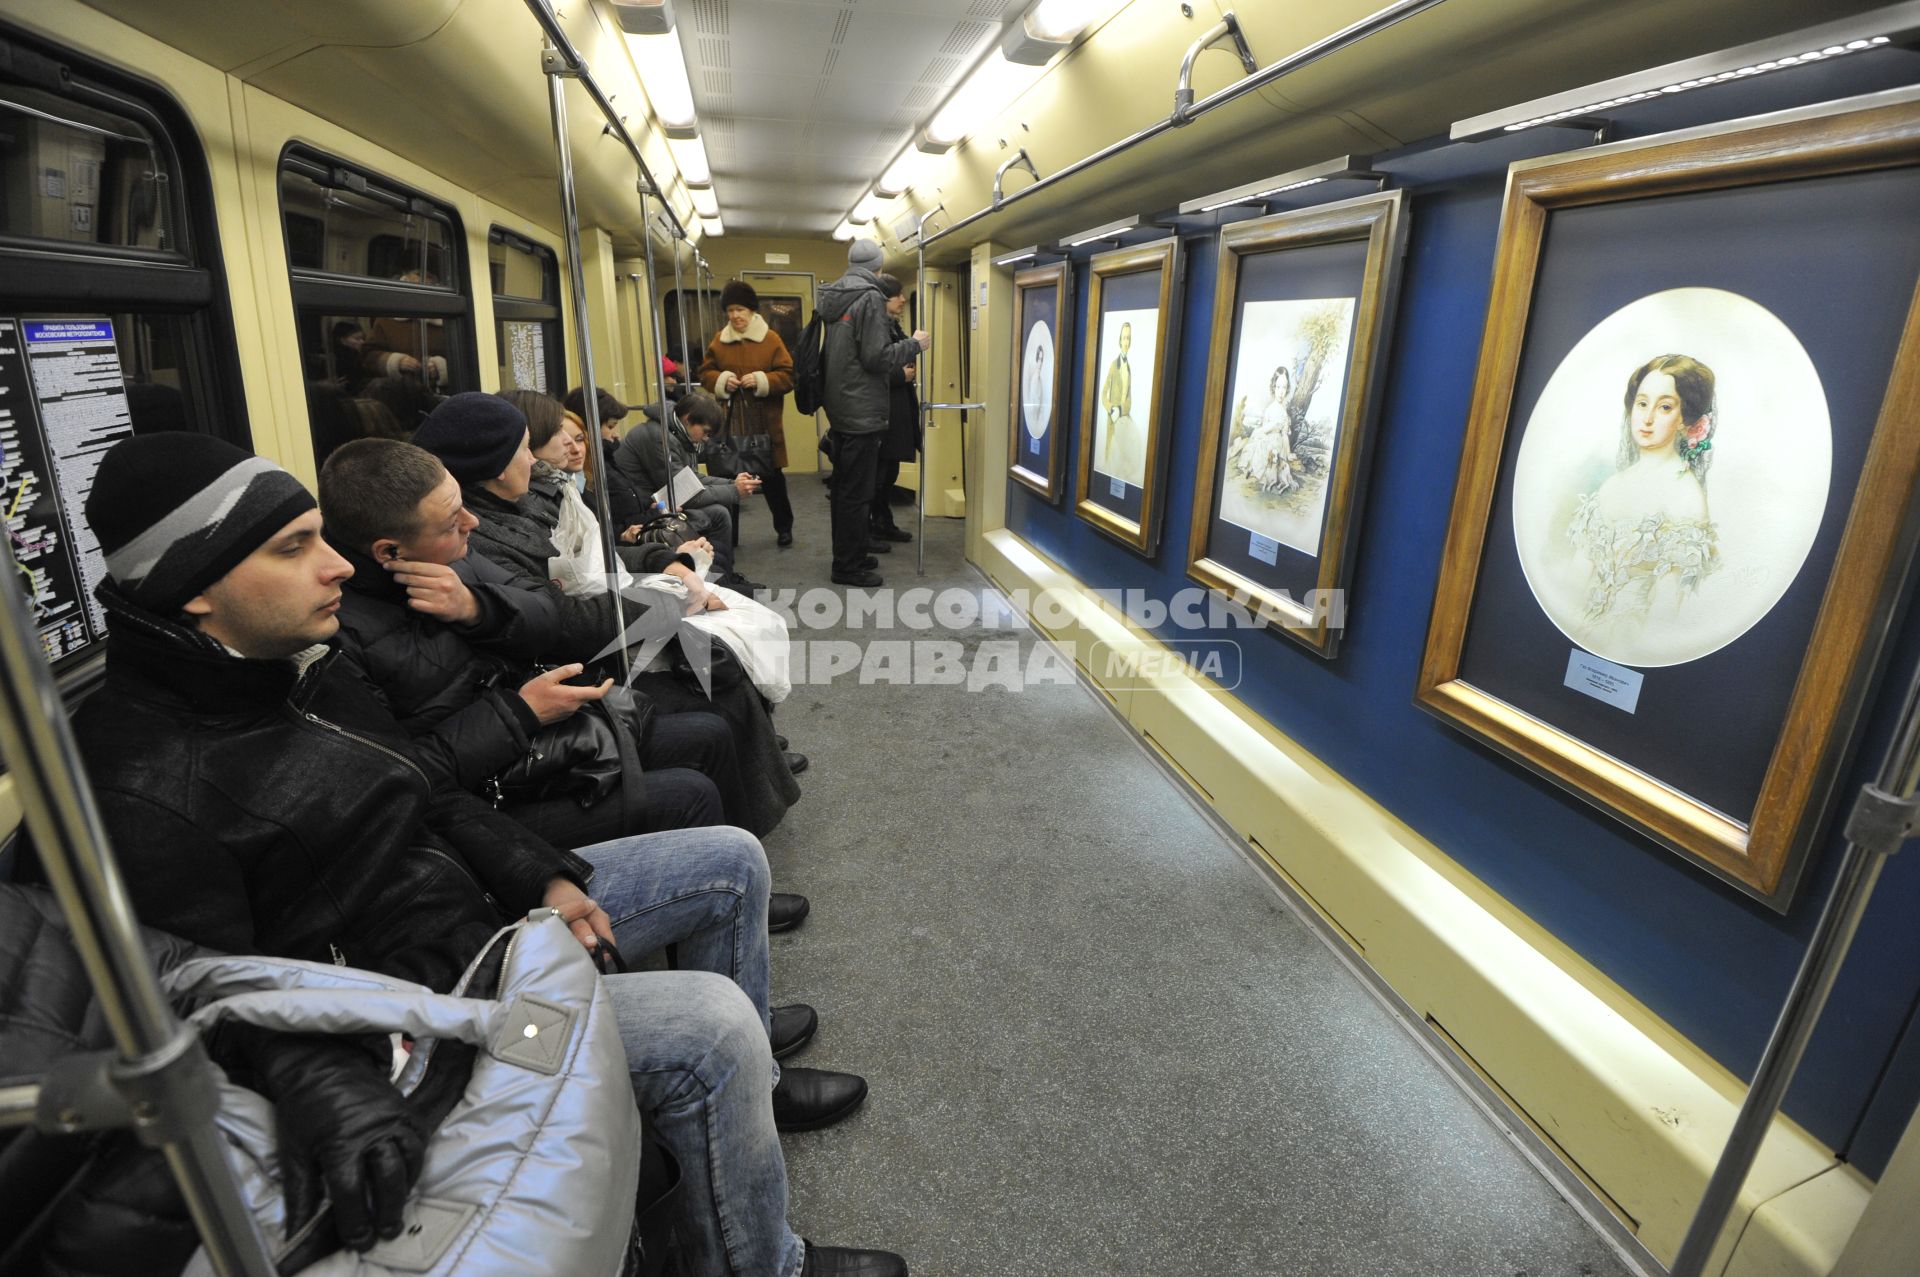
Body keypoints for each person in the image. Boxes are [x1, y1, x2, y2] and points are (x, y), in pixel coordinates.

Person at [69, 432, 901, 1277]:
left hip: (492, 922)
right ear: (193, 589)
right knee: (708, 1029)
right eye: (294, 548)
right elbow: (207, 1004)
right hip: (436, 1018)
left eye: (323, 537)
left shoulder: (279, 677)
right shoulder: (143, 787)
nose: (339, 568)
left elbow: (423, 797)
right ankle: (763, 1260)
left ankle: (747, 1097)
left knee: (727, 858)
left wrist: (542, 876)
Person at [411, 394, 807, 833]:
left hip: (576, 646)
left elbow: (581, 572)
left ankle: (761, 771)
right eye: (534, 446)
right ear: (500, 464)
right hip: (569, 672)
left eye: (581, 438)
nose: (573, 450)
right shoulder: (491, 534)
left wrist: (661, 560)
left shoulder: (529, 504)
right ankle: (749, 803)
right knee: (714, 671)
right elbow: (558, 620)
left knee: (719, 653)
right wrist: (671, 600)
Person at [1568, 353, 1722, 626]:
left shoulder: (1686, 497)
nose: (1647, 418)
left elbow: (1669, 605)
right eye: (1642, 403)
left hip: (1632, 634)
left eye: (1664, 407)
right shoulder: (1612, 485)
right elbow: (1578, 576)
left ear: (1685, 419)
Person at [817, 240, 927, 586]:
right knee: (856, 493)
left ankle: (853, 554)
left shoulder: (836, 296)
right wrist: (914, 345)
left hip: (842, 405)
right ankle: (847, 566)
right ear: (878, 267)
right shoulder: (870, 298)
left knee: (848, 490)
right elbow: (876, 358)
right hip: (862, 409)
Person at [614, 389, 759, 585]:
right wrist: (733, 491)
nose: (706, 439)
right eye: (706, 432)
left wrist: (732, 483)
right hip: (643, 515)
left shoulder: (673, 434)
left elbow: (689, 480)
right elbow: (682, 491)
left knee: (719, 511)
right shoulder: (660, 439)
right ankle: (721, 580)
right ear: (689, 419)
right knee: (719, 514)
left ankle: (723, 575)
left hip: (653, 503)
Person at [700, 279, 797, 547]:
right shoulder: (720, 341)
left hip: (764, 423)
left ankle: (784, 528)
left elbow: (788, 377)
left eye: (740, 309)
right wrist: (722, 380)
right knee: (730, 482)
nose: (735, 315)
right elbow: (705, 373)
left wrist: (762, 380)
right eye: (730, 310)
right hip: (731, 424)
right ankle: (729, 535)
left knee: (773, 480)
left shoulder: (771, 340)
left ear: (752, 311)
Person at [873, 273, 919, 545]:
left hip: (895, 409)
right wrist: (899, 376)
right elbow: (871, 370)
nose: (903, 299)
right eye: (897, 294)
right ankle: (876, 524)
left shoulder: (892, 326)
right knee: (879, 475)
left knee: (888, 472)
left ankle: (882, 521)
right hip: (882, 411)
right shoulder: (877, 329)